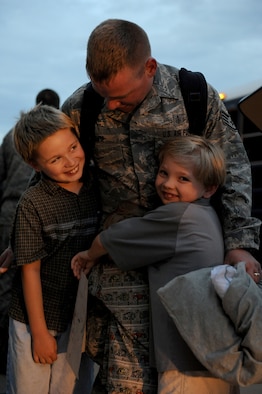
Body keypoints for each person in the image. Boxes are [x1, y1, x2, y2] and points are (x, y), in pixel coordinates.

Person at [60, 18, 261, 393]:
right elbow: (55, 173)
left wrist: (239, 242)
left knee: (194, 375)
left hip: (187, 273)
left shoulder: (193, 97)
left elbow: (232, 167)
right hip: (120, 275)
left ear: (149, 67)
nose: (112, 104)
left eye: (122, 95)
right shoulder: (82, 106)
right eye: (104, 94)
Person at [71, 136, 239, 393]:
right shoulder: (207, 215)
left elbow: (110, 238)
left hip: (185, 360)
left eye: (183, 178)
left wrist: (88, 255)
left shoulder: (179, 215)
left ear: (209, 189)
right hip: (215, 354)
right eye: (164, 173)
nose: (168, 184)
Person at [6, 104, 99, 394]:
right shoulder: (33, 204)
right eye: (56, 158)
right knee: (28, 388)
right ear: (35, 166)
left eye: (73, 147)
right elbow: (29, 271)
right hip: (34, 318)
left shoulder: (97, 186)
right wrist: (40, 332)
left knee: (72, 387)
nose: (71, 161)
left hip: (78, 315)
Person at [0, 89, 60, 374]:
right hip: (45, 210)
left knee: (6, 276)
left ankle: (4, 346)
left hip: (10, 207)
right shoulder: (58, 133)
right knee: (35, 274)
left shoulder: (12, 134)